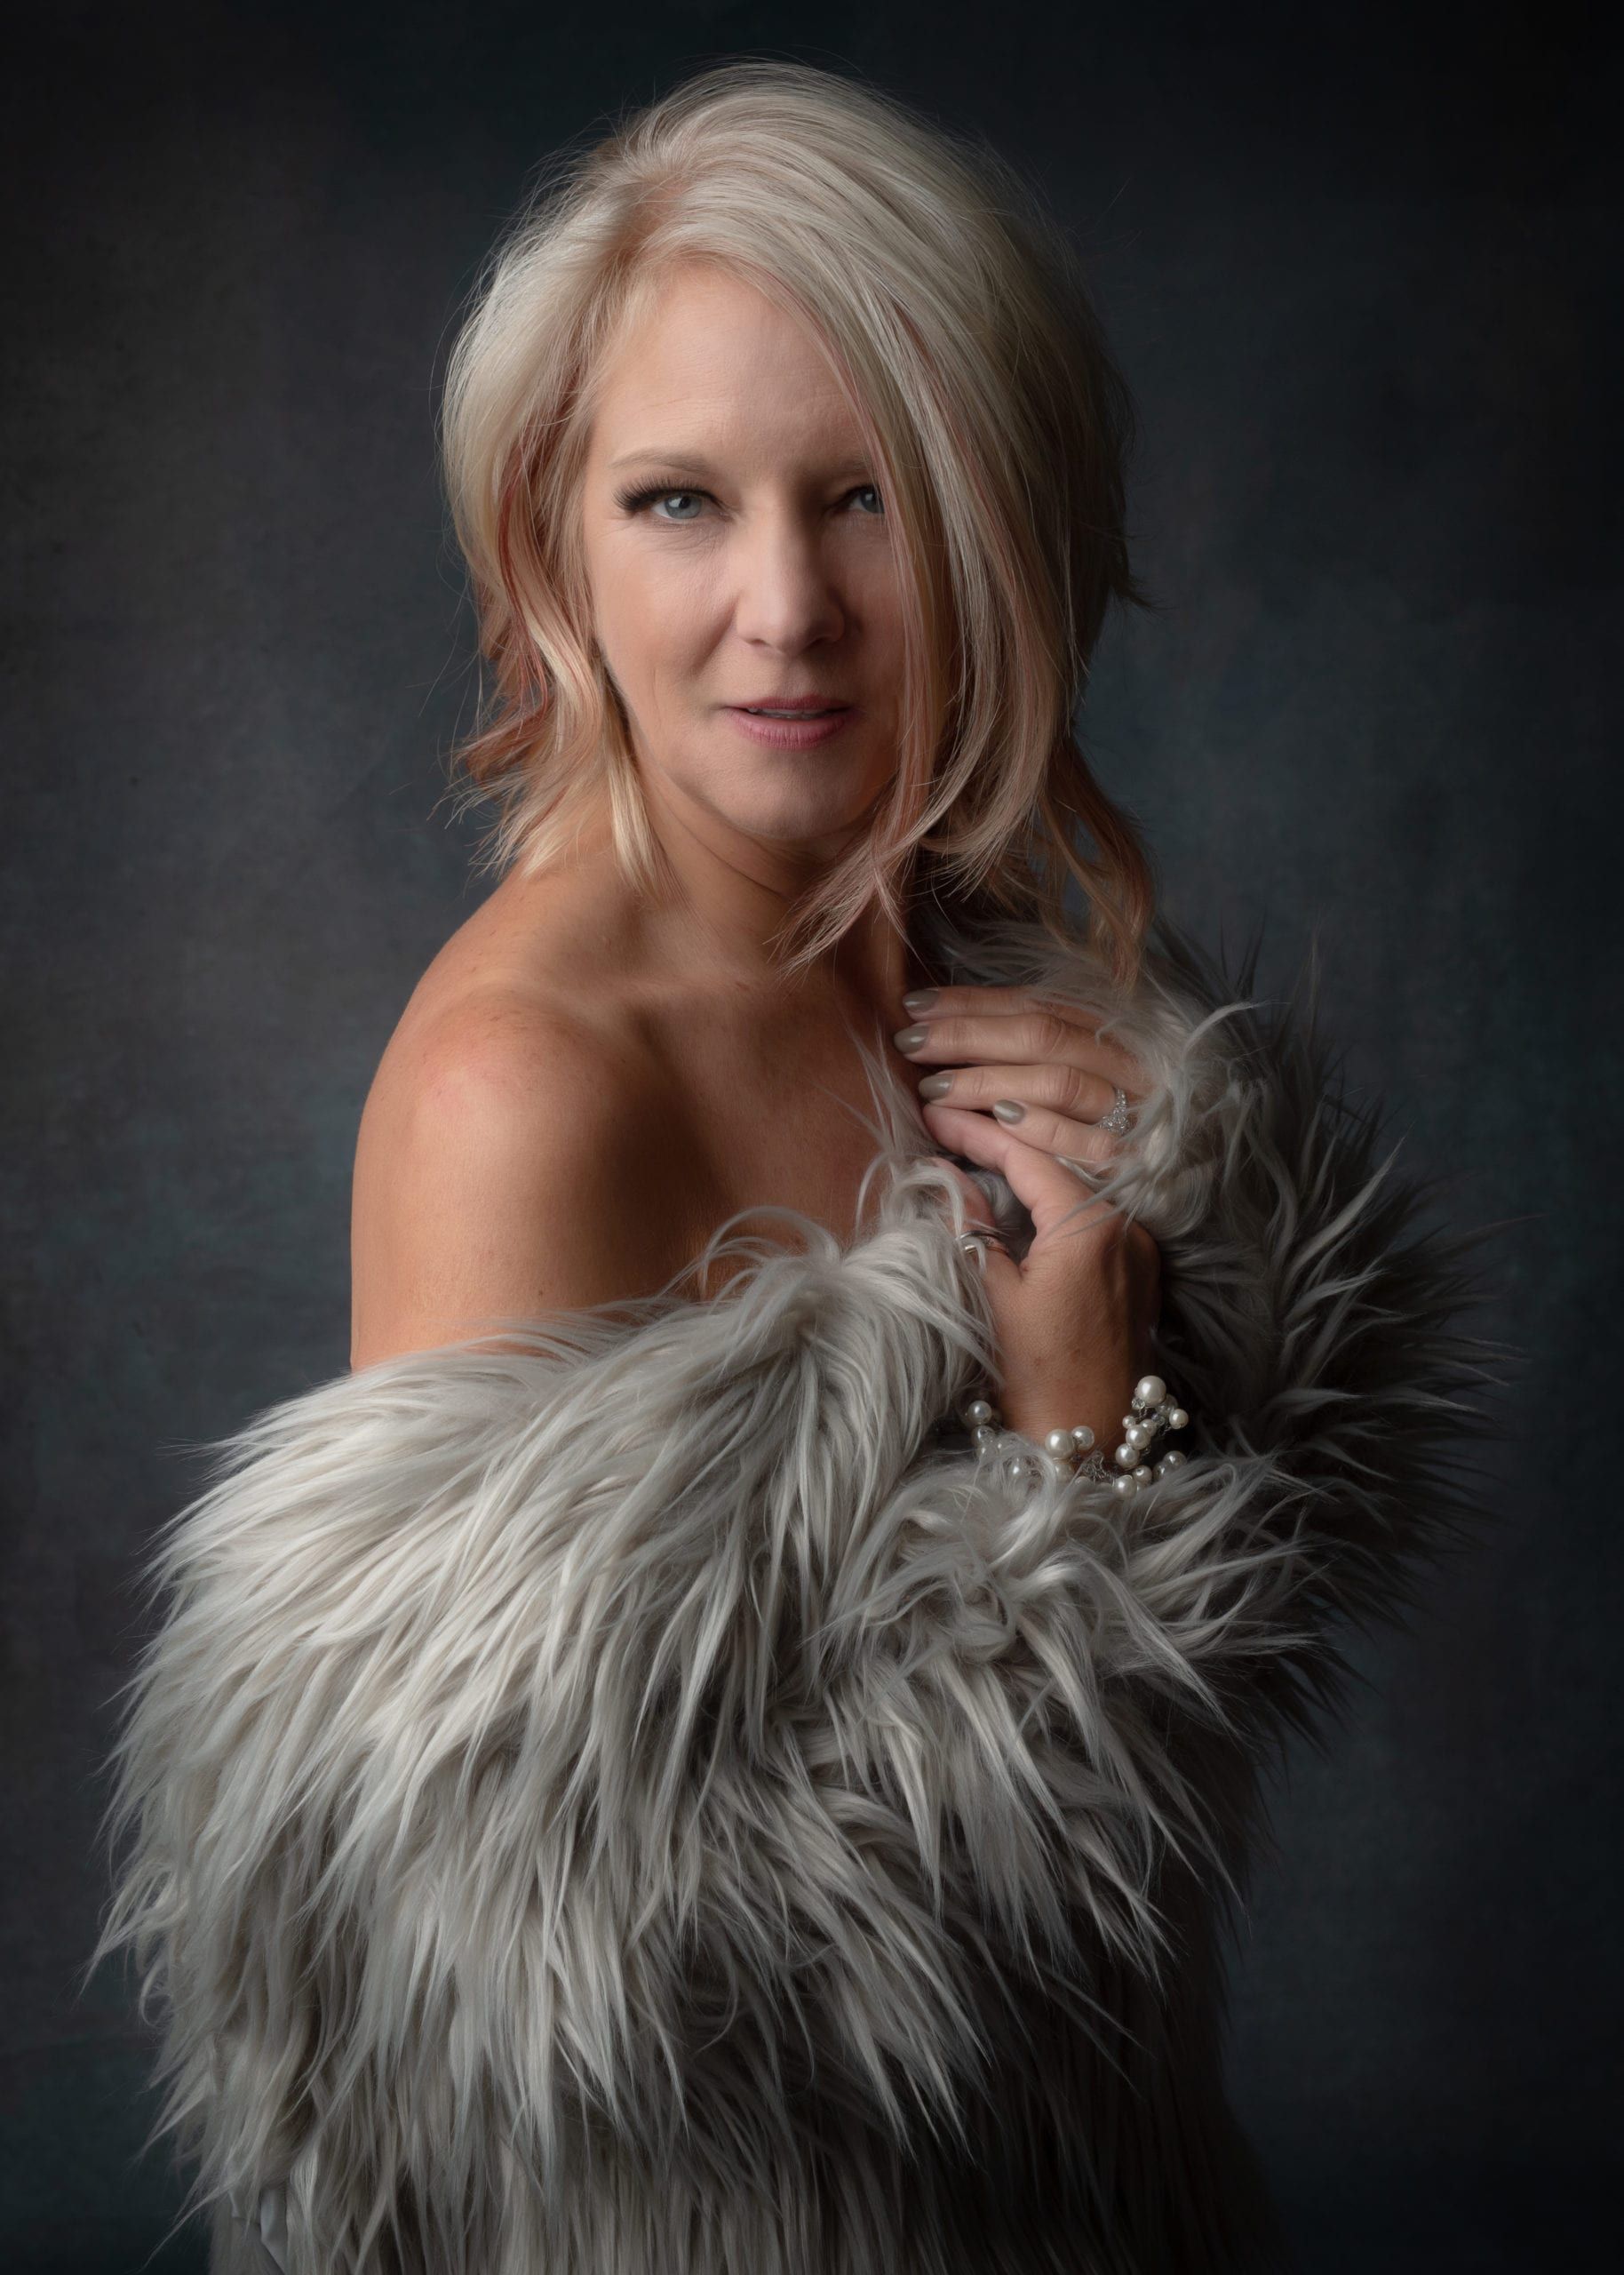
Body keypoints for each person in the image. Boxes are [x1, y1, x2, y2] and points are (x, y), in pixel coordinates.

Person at [92, 60, 1493, 2275]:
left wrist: (1208, 1243)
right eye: (677, 501)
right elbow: (526, 2021)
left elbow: (1266, 1578)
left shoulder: (982, 947)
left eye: (862, 498)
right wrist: (1073, 1457)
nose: (783, 611)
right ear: (550, 525)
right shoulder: (527, 1086)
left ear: (997, 518)